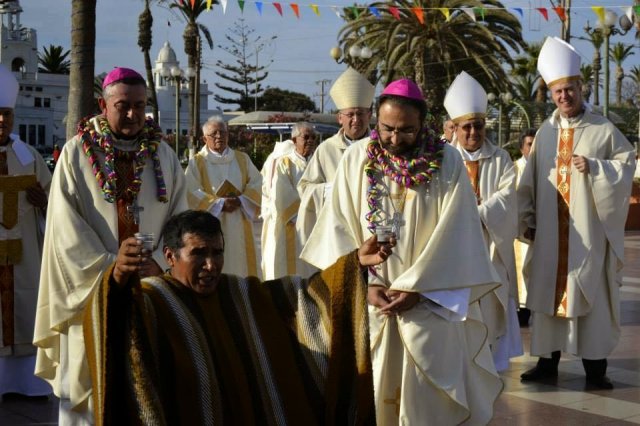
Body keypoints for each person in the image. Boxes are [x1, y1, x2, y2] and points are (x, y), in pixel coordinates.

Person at [301, 79, 503, 425]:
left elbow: (458, 233)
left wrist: (417, 286)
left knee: (426, 404)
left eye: (407, 130)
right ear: (375, 121)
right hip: (371, 305)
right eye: (387, 129)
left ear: (424, 123)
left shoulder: (448, 161)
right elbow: (337, 227)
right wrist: (363, 281)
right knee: (371, 395)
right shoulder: (356, 159)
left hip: (429, 304)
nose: (395, 139)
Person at [84, 209, 395, 424]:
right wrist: (118, 280)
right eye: (198, 253)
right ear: (169, 256)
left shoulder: (239, 293)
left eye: (217, 252)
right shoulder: (153, 297)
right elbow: (115, 323)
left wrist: (355, 265)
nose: (210, 265)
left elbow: (301, 297)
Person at [33, 67, 187, 424]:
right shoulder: (75, 155)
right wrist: (110, 266)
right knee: (92, 388)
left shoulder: (163, 156)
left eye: (140, 105)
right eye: (123, 106)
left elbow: (181, 216)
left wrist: (163, 263)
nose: (133, 114)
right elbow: (63, 229)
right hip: (93, 292)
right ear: (103, 105)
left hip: (150, 289)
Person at [518, 37, 636, 389]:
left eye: (570, 89)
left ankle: (595, 369)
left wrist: (598, 168)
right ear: (551, 94)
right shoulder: (544, 133)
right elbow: (527, 182)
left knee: (592, 300)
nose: (565, 96)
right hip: (551, 237)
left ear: (581, 87)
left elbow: (626, 164)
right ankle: (546, 363)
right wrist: (527, 221)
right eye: (558, 92)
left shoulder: (603, 129)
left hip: (589, 237)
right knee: (546, 299)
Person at [445, 71, 522, 372]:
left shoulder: (500, 157)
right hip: (454, 249)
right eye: (467, 127)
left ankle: (492, 359)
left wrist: (478, 213)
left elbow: (507, 197)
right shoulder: (444, 158)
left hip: (490, 247)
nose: (473, 133)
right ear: (456, 128)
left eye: (478, 125)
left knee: (490, 305)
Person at [0, 65, 52, 398]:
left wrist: (44, 200)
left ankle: (25, 384)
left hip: (24, 249)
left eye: (6, 114)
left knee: (26, 306)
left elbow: (55, 200)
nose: (1, 121)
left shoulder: (29, 156)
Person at [296, 67, 375, 272]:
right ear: (340, 117)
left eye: (360, 114)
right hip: (338, 234)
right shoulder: (326, 149)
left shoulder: (381, 147)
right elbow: (304, 188)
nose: (355, 120)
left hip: (373, 231)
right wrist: (330, 190)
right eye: (350, 114)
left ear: (370, 115)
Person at [185, 116, 262, 278]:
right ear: (204, 138)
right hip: (211, 222)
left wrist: (241, 200)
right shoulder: (197, 162)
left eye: (223, 132)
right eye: (214, 134)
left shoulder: (242, 159)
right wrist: (219, 204)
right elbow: (191, 191)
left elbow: (257, 183)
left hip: (240, 221)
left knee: (241, 266)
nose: (219, 136)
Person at [261, 123, 317, 280]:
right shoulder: (285, 163)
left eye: (313, 137)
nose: (310, 141)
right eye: (306, 137)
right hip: (292, 225)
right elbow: (282, 196)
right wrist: (305, 215)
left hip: (316, 226)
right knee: (291, 272)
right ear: (294, 140)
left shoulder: (318, 163)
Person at [514, 128, 536, 327]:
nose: (534, 148)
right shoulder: (514, 170)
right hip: (518, 234)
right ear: (522, 148)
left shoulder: (546, 168)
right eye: (530, 144)